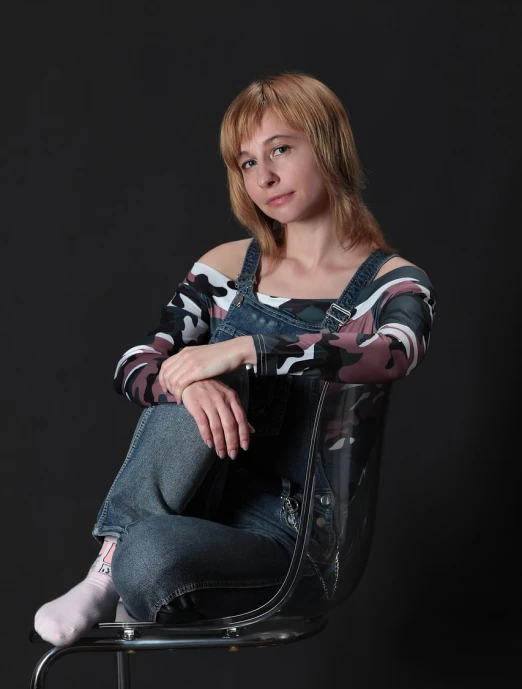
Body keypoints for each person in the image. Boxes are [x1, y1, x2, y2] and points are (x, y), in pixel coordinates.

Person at [34, 71, 437, 646]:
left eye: (281, 149)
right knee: (188, 372)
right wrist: (191, 382)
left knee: (151, 557)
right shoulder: (225, 267)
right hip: (199, 503)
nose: (265, 175)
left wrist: (248, 347)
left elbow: (389, 355)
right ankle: (106, 568)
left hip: (294, 540)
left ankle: (128, 563)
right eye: (248, 162)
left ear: (327, 145)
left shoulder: (395, 285)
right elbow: (133, 363)